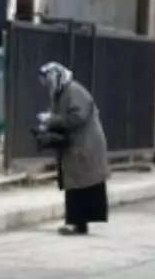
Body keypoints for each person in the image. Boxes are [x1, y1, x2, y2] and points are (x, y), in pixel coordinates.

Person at [37, 61, 110, 236]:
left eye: (48, 81)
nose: (47, 86)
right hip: (78, 146)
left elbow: (77, 117)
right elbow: (66, 118)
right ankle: (77, 223)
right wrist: (48, 125)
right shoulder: (62, 93)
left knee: (80, 184)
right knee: (76, 183)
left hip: (85, 146)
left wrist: (52, 120)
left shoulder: (73, 91)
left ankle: (77, 223)